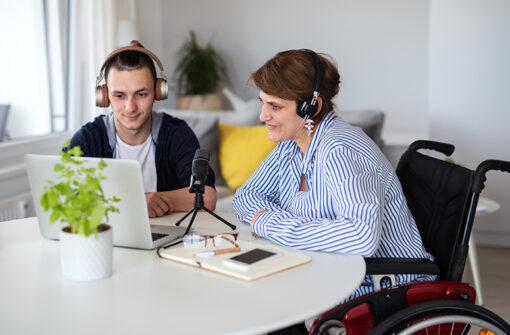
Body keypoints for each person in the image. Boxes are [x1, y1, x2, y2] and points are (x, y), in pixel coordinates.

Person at [232, 49, 435, 328]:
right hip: (335, 271)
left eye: (275, 106)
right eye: (262, 103)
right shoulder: (290, 145)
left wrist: (268, 222)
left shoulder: (339, 149)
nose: (262, 116)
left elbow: (361, 236)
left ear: (310, 108)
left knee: (265, 306)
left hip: (386, 285)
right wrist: (271, 220)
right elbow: (246, 196)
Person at [68, 40, 216, 217]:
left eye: (141, 94)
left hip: (169, 238)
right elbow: (65, 198)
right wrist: (138, 201)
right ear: (104, 96)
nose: (130, 107)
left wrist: (155, 199)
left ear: (157, 91)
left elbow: (207, 197)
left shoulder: (176, 133)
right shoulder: (88, 138)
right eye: (120, 95)